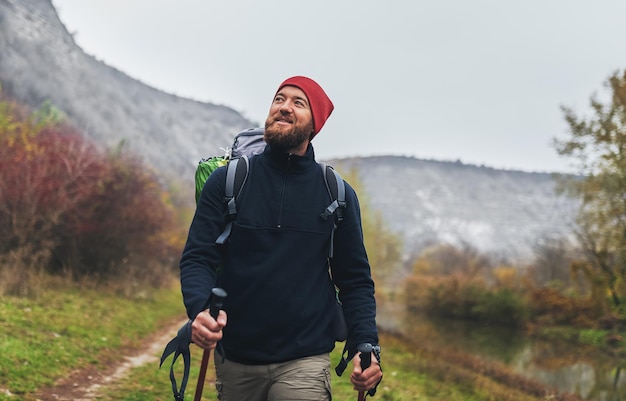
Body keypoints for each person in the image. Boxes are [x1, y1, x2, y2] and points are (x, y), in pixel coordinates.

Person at [179, 75, 382, 400]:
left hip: (305, 360)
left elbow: (355, 281)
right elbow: (198, 258)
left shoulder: (337, 195)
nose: (284, 107)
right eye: (279, 99)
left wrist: (365, 343)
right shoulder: (229, 181)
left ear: (315, 123)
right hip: (235, 356)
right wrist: (200, 310)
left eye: (298, 103)